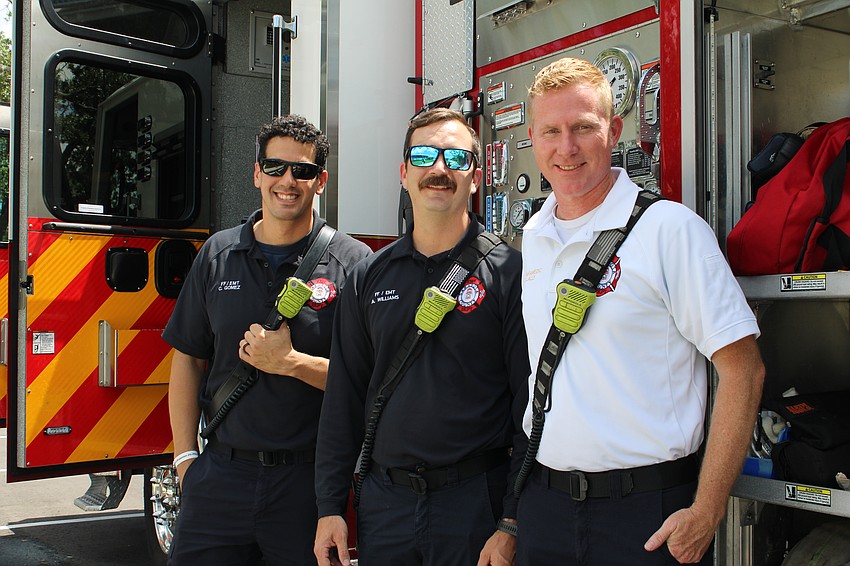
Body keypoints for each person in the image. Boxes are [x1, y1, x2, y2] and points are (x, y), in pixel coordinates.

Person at [515, 57, 765, 564]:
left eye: (583, 128)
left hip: (646, 518)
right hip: (544, 509)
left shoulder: (669, 229)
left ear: (614, 129)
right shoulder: (532, 238)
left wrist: (708, 508)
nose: (567, 148)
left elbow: (743, 370)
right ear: (533, 139)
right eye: (551, 131)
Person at [313, 108, 529, 566]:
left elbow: (528, 407)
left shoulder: (509, 272)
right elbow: (343, 399)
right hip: (385, 506)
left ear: (475, 176)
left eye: (456, 157)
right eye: (425, 155)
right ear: (404, 173)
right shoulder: (368, 275)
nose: (439, 169)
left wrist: (511, 519)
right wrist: (330, 508)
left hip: (475, 505)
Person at [163, 114, 372, 565]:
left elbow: (370, 383)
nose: (288, 180)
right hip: (219, 476)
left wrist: (293, 362)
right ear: (257, 173)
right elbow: (187, 359)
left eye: (303, 170)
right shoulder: (217, 254)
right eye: (275, 167)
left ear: (321, 181)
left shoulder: (355, 264)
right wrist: (185, 459)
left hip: (309, 486)